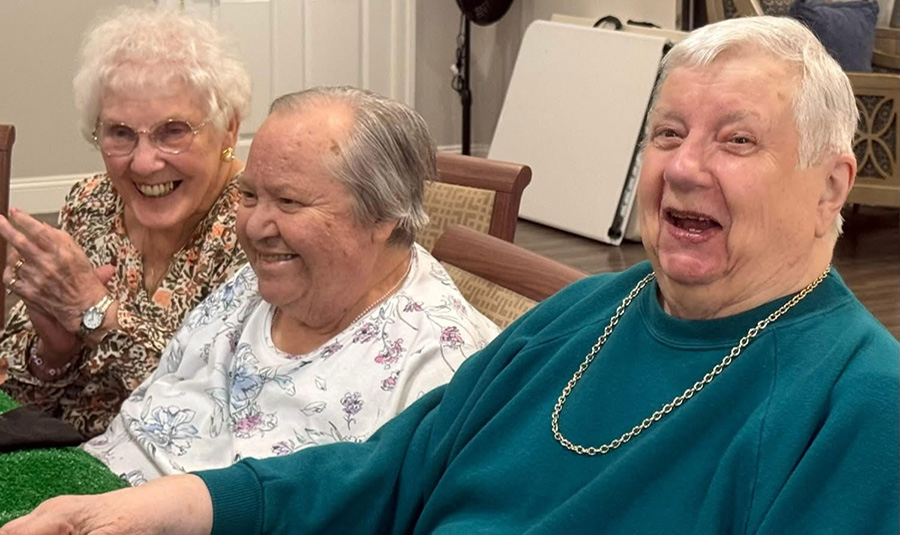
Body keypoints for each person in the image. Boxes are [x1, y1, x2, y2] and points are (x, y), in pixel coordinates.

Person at [4, 15, 898, 535]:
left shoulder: (861, 404)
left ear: (831, 185)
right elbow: (388, 468)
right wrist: (168, 506)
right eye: (668, 133)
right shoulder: (589, 310)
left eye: (736, 140)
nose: (686, 167)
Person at [78, 86, 500, 484]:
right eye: (248, 196)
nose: (254, 227)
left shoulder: (441, 367)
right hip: (92, 481)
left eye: (288, 202)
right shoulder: (258, 282)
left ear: (383, 214)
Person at [0, 7, 251, 438]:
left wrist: (95, 312)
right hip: (72, 453)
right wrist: (53, 351)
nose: (144, 162)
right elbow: (14, 400)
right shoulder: (90, 203)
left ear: (228, 129)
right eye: (120, 133)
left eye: (173, 131)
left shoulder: (258, 228)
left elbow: (224, 408)